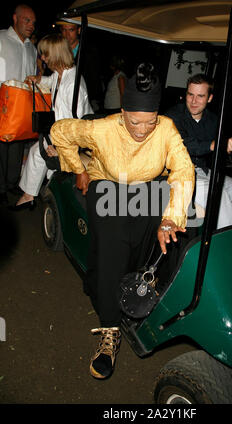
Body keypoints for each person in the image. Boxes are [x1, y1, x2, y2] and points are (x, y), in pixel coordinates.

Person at [50, 63, 195, 380]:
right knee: (115, 243)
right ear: (124, 112)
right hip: (107, 186)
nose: (142, 130)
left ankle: (145, 290)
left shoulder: (167, 128)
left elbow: (183, 170)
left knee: (170, 238)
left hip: (145, 187)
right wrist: (78, 168)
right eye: (134, 122)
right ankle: (109, 329)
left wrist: (171, 219)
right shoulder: (103, 128)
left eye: (149, 122)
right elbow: (59, 131)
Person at [165, 74, 232, 229]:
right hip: (179, 173)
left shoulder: (213, 120)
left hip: (204, 171)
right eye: (190, 94)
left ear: (209, 98)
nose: (194, 101)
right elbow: (186, 144)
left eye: (200, 96)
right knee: (219, 196)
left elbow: (229, 141)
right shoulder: (173, 116)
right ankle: (230, 245)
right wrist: (216, 144)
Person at [11, 33, 93, 210]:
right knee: (38, 150)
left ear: (55, 55)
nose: (42, 58)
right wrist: (39, 79)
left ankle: (32, 195)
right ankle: (31, 194)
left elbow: (77, 124)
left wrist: (61, 147)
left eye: (45, 54)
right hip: (62, 131)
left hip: (78, 137)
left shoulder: (74, 84)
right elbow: (51, 81)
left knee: (38, 151)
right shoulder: (59, 74)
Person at [0, 4, 37, 205]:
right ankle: (0, 188)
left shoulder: (32, 48)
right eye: (27, 20)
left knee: (17, 146)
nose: (31, 25)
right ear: (15, 18)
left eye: (33, 22)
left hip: (22, 107)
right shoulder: (1, 39)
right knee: (1, 146)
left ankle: (12, 183)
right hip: (2, 104)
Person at [57, 21, 102, 112]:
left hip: (83, 102)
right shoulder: (57, 51)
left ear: (79, 30)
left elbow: (94, 80)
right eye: (64, 30)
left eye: (71, 30)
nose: (67, 34)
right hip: (62, 103)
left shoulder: (89, 52)